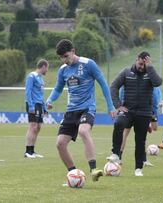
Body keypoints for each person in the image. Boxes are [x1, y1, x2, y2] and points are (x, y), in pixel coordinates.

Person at [46, 39, 116, 182]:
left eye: (66, 56)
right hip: (71, 111)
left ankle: (94, 169)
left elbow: (103, 83)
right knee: (60, 144)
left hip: (87, 108)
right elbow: (58, 88)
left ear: (73, 51)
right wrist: (50, 100)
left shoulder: (88, 64)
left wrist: (110, 106)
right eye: (61, 58)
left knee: (83, 131)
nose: (64, 60)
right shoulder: (63, 70)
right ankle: (74, 174)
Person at [107, 51, 162, 176]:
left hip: (144, 113)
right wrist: (118, 105)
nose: (142, 66)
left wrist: (150, 67)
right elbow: (113, 86)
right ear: (136, 59)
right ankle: (115, 153)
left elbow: (158, 83)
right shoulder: (126, 72)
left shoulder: (150, 73)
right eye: (140, 63)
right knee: (118, 123)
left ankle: (138, 168)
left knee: (140, 140)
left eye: (144, 64)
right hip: (128, 111)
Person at [109, 87, 161, 167]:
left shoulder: (151, 82)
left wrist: (152, 114)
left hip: (144, 110)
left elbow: (154, 100)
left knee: (146, 132)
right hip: (131, 110)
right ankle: (119, 157)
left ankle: (143, 160)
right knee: (126, 133)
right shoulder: (128, 78)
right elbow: (121, 93)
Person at [24, 59, 49, 158]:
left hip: (39, 105)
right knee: (33, 126)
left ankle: (32, 151)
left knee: (38, 127)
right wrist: (30, 106)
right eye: (47, 68)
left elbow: (41, 95)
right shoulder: (32, 76)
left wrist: (45, 108)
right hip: (33, 104)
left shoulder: (41, 79)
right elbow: (28, 91)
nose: (47, 70)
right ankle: (27, 151)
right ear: (43, 66)